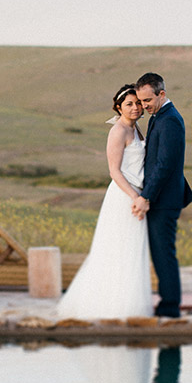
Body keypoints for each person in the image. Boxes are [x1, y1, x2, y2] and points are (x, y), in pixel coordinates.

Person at [55, 83, 154, 318]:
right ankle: (112, 306)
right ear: (118, 107)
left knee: (131, 250)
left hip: (137, 194)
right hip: (124, 197)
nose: (135, 108)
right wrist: (136, 197)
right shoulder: (118, 131)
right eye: (129, 104)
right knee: (117, 250)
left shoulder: (137, 128)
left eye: (138, 103)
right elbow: (114, 171)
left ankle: (130, 304)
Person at [131, 73, 192, 318]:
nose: (144, 105)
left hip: (164, 200)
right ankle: (167, 302)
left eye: (148, 100)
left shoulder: (170, 121)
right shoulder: (159, 116)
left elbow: (165, 164)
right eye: (140, 101)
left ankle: (170, 307)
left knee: (164, 253)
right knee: (160, 252)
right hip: (162, 197)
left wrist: (146, 197)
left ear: (162, 94)